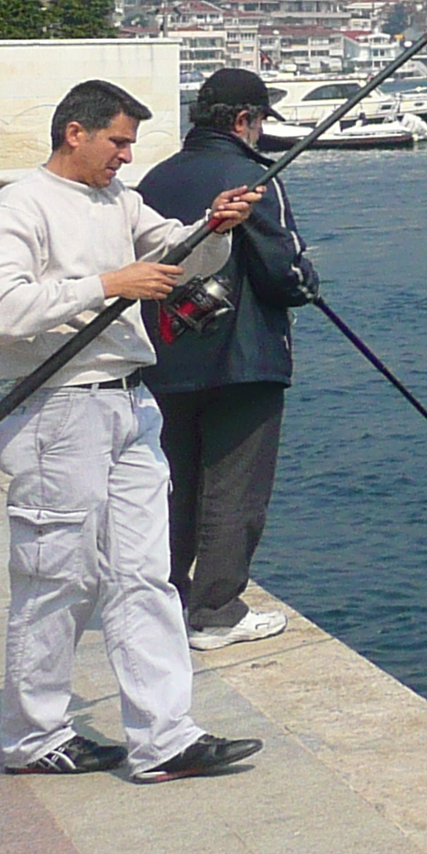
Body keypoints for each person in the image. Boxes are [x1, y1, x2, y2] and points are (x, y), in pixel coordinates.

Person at [0, 77, 267, 783]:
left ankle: (165, 738)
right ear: (77, 131)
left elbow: (179, 253)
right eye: (119, 141)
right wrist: (106, 285)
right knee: (56, 578)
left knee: (145, 576)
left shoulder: (118, 201)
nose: (127, 156)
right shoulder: (20, 206)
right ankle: (34, 738)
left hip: (133, 405)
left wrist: (216, 225)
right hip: (59, 411)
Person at [138, 68, 318, 651]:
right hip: (242, 360)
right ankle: (216, 611)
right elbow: (283, 271)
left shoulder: (153, 179)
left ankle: (164, 597)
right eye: (262, 122)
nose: (263, 135)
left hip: (164, 356)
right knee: (234, 487)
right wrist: (307, 283)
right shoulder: (252, 177)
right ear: (244, 120)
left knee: (177, 482)